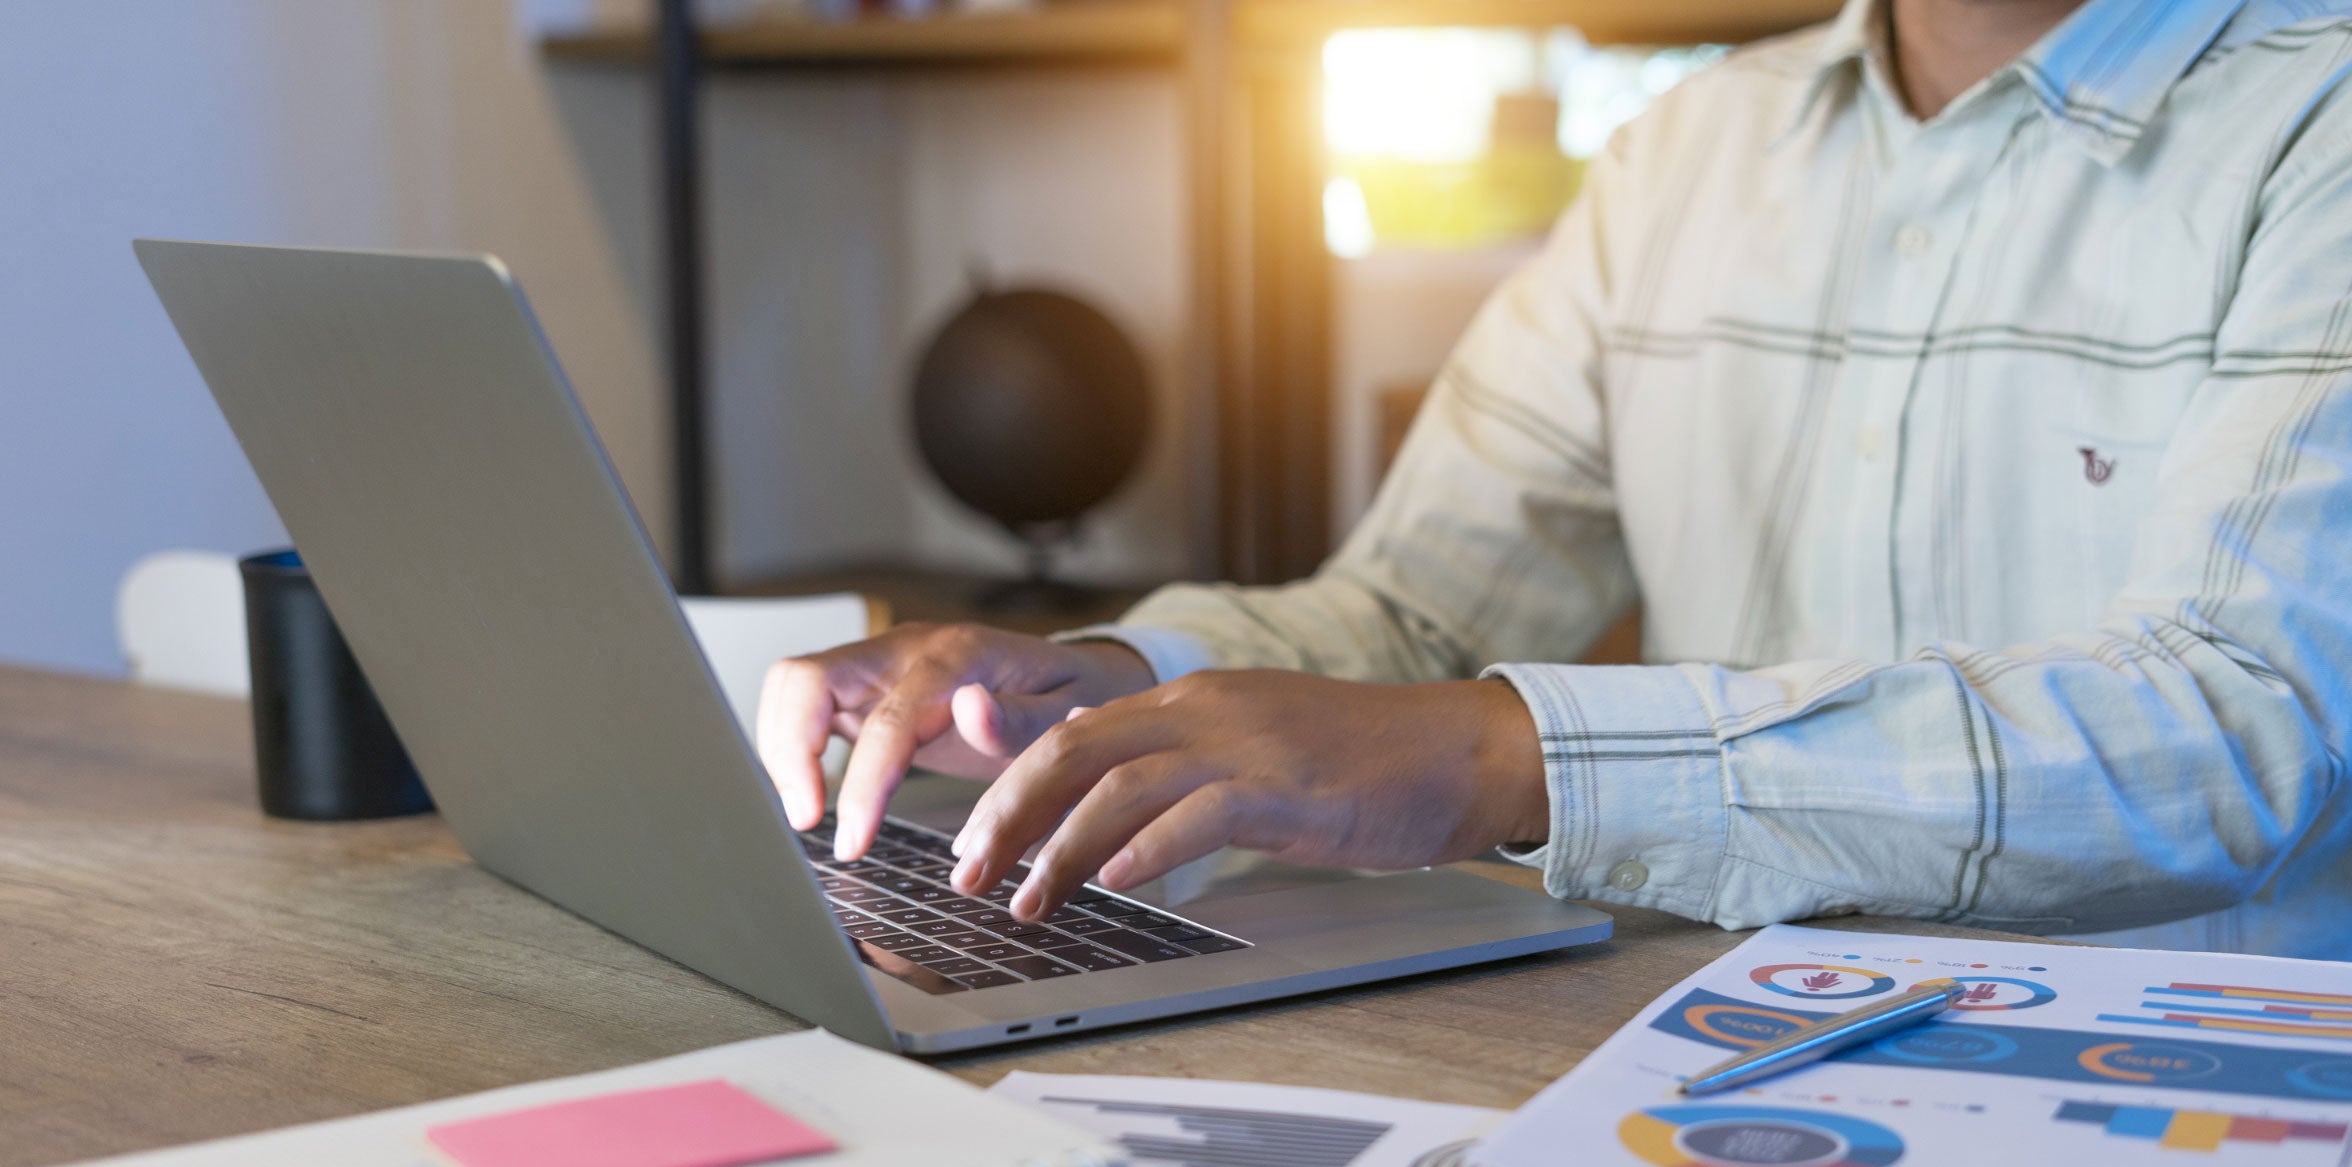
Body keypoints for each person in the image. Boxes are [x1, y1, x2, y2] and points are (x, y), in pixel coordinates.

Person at [759, 0, 2352, 959]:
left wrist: (1507, 758)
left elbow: (2231, 725)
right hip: (1720, 1049)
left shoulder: (2318, 117)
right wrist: (1101, 698)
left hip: (2196, 1098)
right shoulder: (1683, 156)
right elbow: (1416, 612)